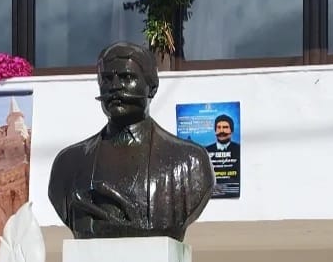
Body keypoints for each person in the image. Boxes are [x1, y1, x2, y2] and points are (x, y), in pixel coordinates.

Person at [48, 42, 214, 240]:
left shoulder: (189, 162)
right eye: (107, 79)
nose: (115, 87)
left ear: (151, 88)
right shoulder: (68, 165)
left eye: (127, 77)